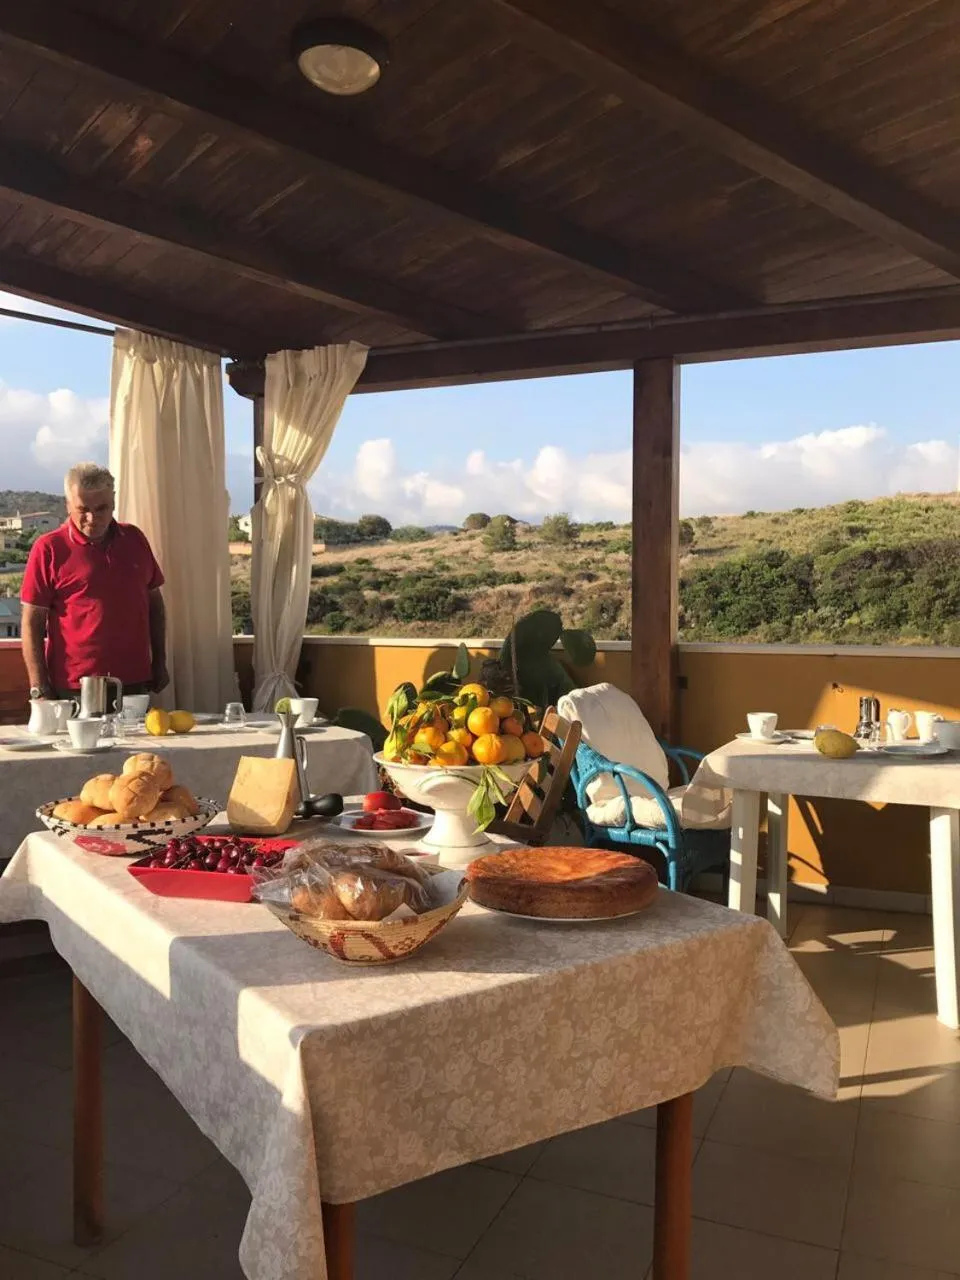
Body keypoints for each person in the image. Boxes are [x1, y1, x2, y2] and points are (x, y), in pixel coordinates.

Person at [20, 462, 168, 702]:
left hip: (134, 681)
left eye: (101, 508)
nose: (92, 518)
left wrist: (160, 662)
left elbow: (155, 605)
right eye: (83, 509)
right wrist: (39, 687)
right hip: (74, 686)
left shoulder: (135, 539)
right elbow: (31, 622)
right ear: (68, 505)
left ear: (113, 502)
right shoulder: (49, 548)